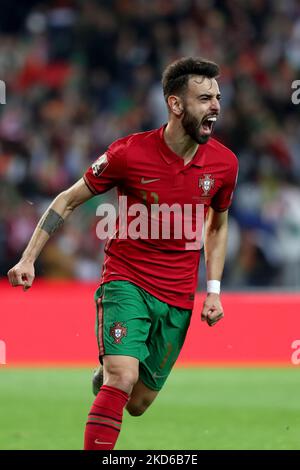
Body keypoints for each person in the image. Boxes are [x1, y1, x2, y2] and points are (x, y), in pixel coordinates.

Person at [7, 57, 238, 450]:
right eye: (204, 98)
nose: (215, 105)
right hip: (126, 281)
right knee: (122, 377)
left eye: (217, 97)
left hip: (178, 296)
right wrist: (28, 258)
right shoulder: (128, 154)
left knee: (137, 403)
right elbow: (67, 200)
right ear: (175, 104)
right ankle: (112, 375)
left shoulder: (224, 164)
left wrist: (213, 289)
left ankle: (108, 374)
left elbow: (216, 226)